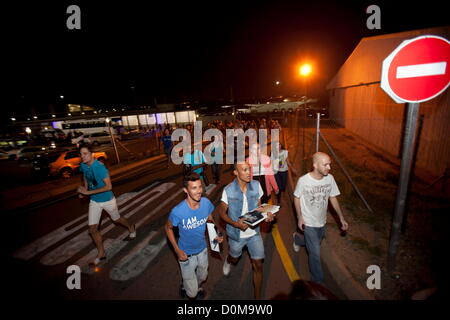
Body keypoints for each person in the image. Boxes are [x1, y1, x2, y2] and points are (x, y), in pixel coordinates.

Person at [218, 161, 275, 299]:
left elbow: (259, 207)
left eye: (249, 169)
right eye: (244, 170)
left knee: (258, 265)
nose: (249, 172)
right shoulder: (229, 190)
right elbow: (221, 213)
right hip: (237, 234)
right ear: (236, 172)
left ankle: (257, 298)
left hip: (254, 233)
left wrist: (266, 216)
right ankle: (229, 259)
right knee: (235, 259)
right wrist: (235, 224)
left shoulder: (256, 185)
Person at [292, 152, 349, 284]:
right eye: (325, 164)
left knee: (313, 244)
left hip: (321, 222)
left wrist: (341, 218)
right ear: (315, 165)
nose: (329, 167)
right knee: (315, 254)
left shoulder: (329, 179)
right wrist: (300, 217)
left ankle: (297, 239)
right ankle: (317, 283)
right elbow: (297, 198)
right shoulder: (304, 181)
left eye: (329, 164)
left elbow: (333, 197)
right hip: (308, 222)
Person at [165, 173, 223, 300]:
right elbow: (168, 228)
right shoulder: (178, 212)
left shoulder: (206, 203)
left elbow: (210, 218)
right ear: (186, 190)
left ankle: (191, 284)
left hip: (202, 250)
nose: (199, 191)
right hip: (186, 255)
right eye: (194, 188)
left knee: (203, 276)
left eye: (200, 187)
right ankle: (186, 286)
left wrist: (217, 233)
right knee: (192, 294)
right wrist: (177, 250)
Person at [77, 144, 136, 266]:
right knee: (92, 229)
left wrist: (88, 192)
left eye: (85, 154)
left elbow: (109, 186)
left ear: (92, 154)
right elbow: (86, 176)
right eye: (81, 154)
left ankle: (131, 227)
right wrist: (85, 190)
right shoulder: (83, 165)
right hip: (94, 201)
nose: (82, 157)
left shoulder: (100, 168)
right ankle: (101, 253)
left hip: (108, 200)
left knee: (117, 219)